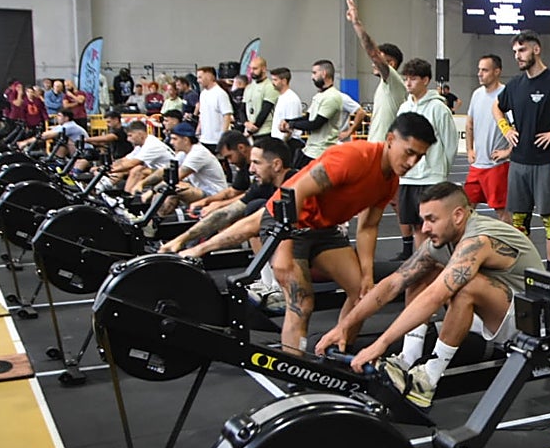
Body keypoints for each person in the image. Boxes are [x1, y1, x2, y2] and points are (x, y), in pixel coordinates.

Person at [181, 112, 435, 350]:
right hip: (286, 222)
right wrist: (284, 248)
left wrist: (367, 274)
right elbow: (296, 192)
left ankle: (336, 350)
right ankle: (296, 372)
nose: (412, 162)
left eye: (419, 157)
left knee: (362, 295)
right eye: (409, 152)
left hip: (324, 230)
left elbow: (368, 226)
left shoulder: (390, 180)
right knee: (301, 304)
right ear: (391, 140)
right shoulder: (354, 157)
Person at [314, 182, 542, 408]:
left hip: (528, 324)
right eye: (423, 220)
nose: (424, 228)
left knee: (466, 287)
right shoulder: (441, 241)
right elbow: (393, 284)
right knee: (420, 271)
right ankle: (408, 359)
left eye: (432, 220)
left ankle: (428, 379)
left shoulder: (478, 240)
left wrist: (380, 344)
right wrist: (343, 327)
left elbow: (436, 295)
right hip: (491, 316)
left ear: (458, 215)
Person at [492, 30, 550, 272]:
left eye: (522, 50)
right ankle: (524, 269)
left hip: (547, 164)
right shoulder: (515, 85)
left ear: (536, 50)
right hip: (519, 163)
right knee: (518, 221)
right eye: (515, 52)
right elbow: (497, 107)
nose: (518, 56)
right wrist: (506, 128)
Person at [161, 137, 294, 256]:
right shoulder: (263, 185)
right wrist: (180, 239)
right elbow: (226, 214)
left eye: (257, 163)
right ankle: (267, 279)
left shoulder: (294, 185)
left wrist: (200, 249)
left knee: (256, 210)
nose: (251, 169)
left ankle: (272, 281)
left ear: (276, 164)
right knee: (253, 207)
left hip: (305, 246)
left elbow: (250, 224)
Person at [396, 58, 459, 252]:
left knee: (436, 228)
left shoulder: (438, 108)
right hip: (409, 178)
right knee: (417, 227)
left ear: (426, 80)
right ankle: (421, 267)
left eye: (413, 79)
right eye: (406, 78)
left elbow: (450, 143)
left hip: (431, 178)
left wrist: (440, 172)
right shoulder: (404, 108)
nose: (408, 83)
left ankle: (442, 269)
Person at [345, 0, 407, 143]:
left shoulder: (393, 80)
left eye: (378, 60)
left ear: (391, 63)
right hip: (376, 146)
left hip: (384, 149)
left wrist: (356, 23)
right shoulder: (385, 85)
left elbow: (373, 52)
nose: (373, 64)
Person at [464, 54, 511, 224]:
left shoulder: (506, 94)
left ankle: (511, 247)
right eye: (479, 69)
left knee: (502, 211)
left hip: (496, 167)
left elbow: (517, 127)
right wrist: (469, 149)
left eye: (484, 70)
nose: (479, 73)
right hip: (477, 166)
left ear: (497, 72)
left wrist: (508, 151)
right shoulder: (477, 94)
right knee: (465, 209)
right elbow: (469, 124)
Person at [282, 60, 343, 169]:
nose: (312, 77)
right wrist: (287, 121)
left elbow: (315, 124)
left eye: (314, 73)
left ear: (324, 74)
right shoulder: (320, 95)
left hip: (321, 152)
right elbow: (307, 117)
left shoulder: (332, 97)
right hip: (311, 149)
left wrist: (291, 125)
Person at [188, 130, 253, 214]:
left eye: (230, 156)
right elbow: (233, 192)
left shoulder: (262, 162)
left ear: (241, 148)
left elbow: (254, 194)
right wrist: (205, 201)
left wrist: (220, 205)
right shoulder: (243, 165)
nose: (230, 162)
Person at [109, 119, 175, 193]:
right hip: (157, 171)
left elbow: (132, 163)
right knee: (122, 168)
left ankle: (127, 198)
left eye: (130, 135)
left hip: (171, 174)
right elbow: (125, 159)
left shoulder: (151, 144)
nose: (128, 139)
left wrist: (110, 170)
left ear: (140, 134)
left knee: (138, 170)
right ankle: (101, 187)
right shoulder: (140, 145)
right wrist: (106, 167)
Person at [268, 67, 305, 160]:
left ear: (284, 81)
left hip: (288, 144)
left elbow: (290, 126)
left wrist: (282, 144)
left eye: (275, 80)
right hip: (280, 142)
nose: (273, 83)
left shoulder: (291, 99)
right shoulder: (282, 97)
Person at [195, 66, 233, 152]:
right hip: (204, 138)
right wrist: (198, 130)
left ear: (209, 76)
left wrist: (223, 136)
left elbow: (227, 115)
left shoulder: (220, 94)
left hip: (217, 140)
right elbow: (202, 114)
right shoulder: (203, 94)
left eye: (200, 77)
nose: (198, 81)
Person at [243, 56, 278, 145]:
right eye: (250, 68)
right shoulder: (249, 87)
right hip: (249, 130)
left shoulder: (270, 86)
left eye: (255, 68)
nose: (251, 71)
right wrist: (246, 123)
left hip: (264, 131)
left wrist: (254, 127)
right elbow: (242, 108)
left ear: (263, 69)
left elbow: (265, 110)